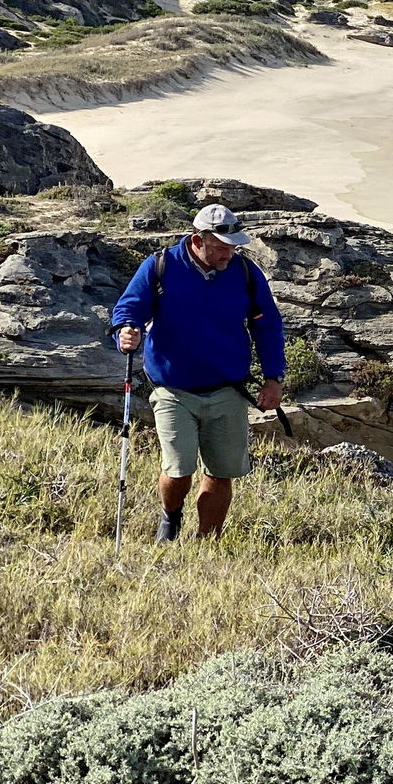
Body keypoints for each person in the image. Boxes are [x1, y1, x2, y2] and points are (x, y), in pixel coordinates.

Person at [111, 203, 285, 542]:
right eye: (220, 246)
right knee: (179, 470)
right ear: (196, 240)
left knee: (221, 474)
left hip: (229, 390)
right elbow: (129, 307)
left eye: (233, 246)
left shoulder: (245, 273)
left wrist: (273, 377)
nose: (228, 254)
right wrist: (126, 329)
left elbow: (268, 327)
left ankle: (207, 541)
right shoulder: (160, 266)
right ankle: (170, 517)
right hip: (173, 389)